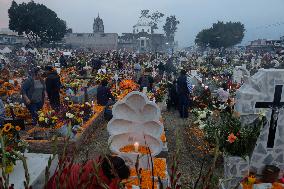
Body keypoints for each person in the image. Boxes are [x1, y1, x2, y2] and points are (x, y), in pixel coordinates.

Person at [47, 156, 130, 189]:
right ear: (112, 172)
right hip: (59, 184)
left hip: (63, 172)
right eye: (117, 177)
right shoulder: (97, 180)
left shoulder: (103, 161)